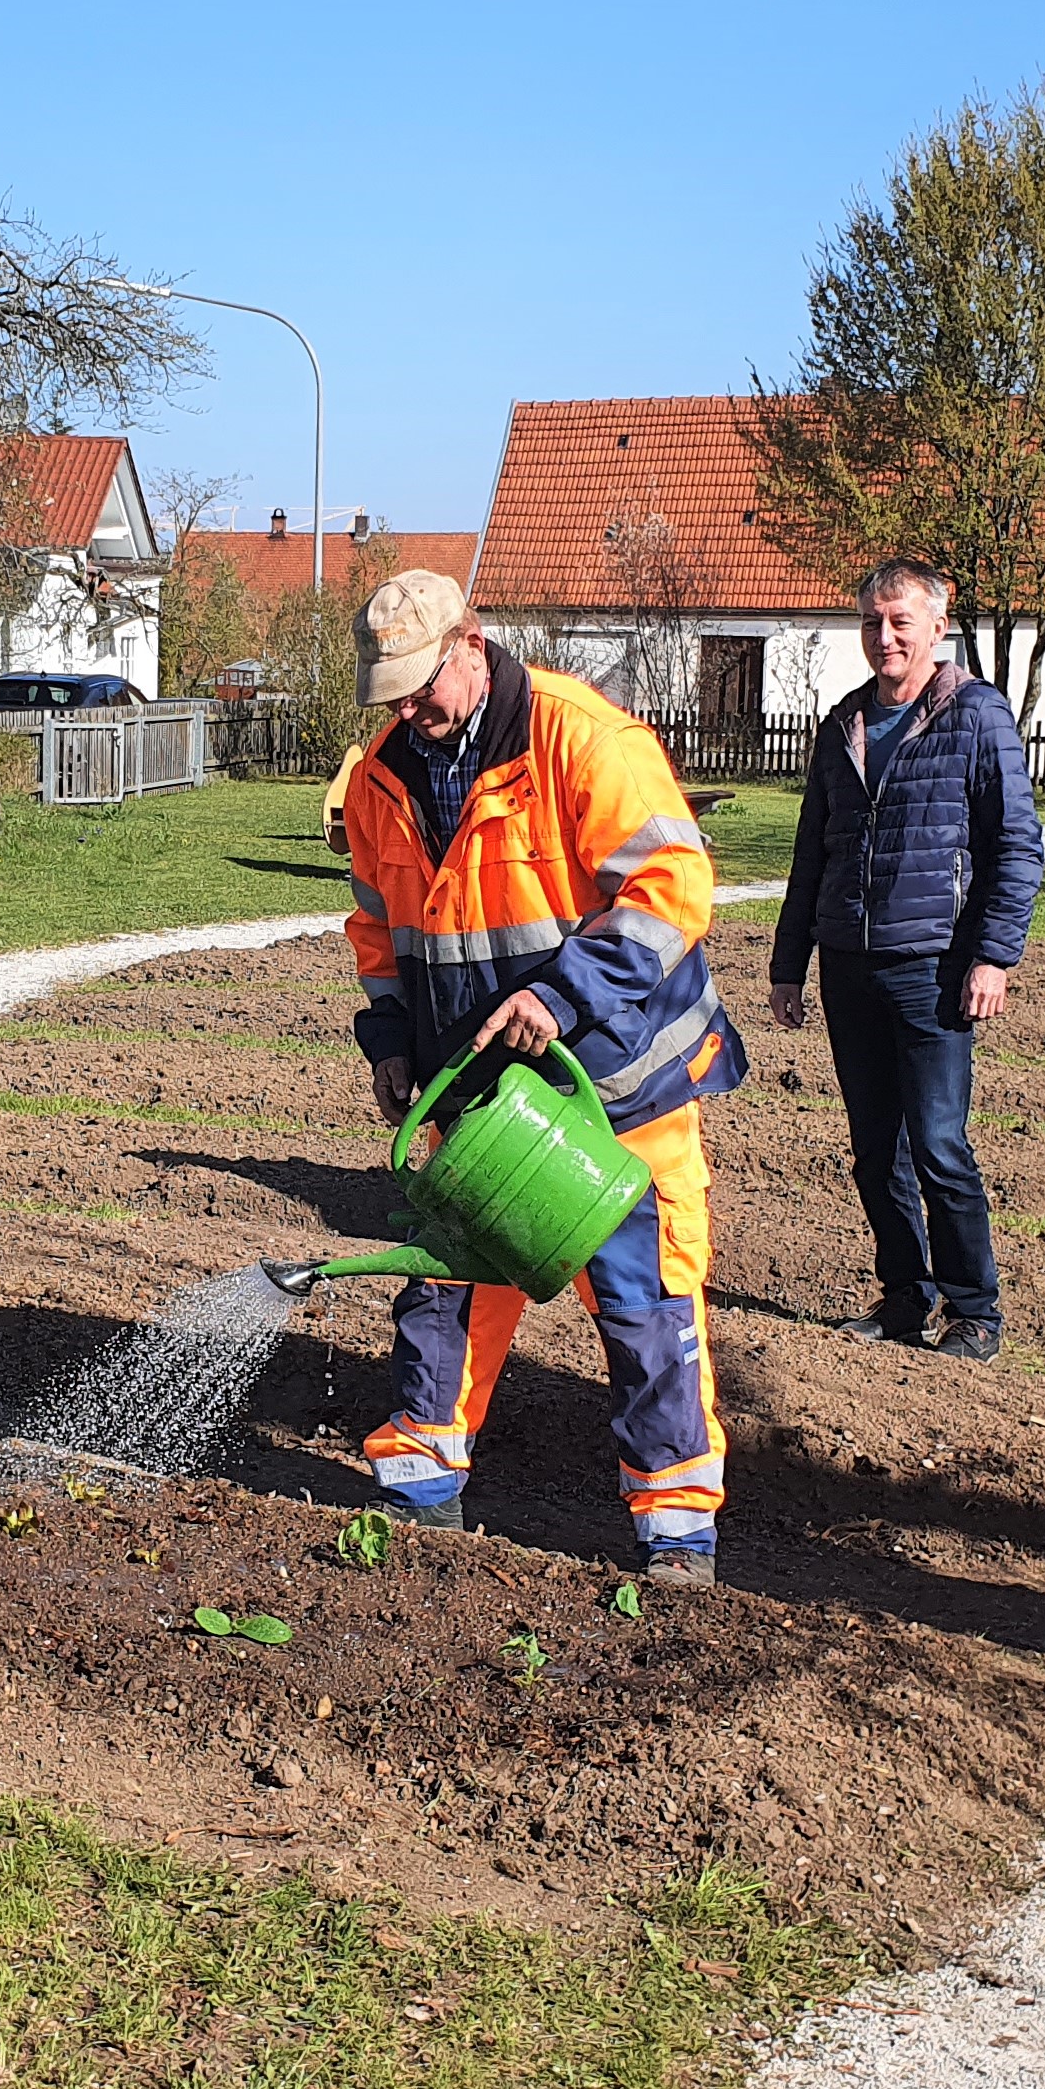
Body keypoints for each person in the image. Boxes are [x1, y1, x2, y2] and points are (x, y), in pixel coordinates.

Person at [336, 571, 747, 1584]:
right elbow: (376, 926)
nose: (406, 712)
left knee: (645, 1303)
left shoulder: (581, 738)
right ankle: (421, 1478)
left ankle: (675, 1526)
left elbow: (669, 887)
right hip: (480, 1094)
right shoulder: (383, 773)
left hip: (618, 1085)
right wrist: (390, 1037)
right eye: (388, 694)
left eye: (419, 686)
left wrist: (559, 996)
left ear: (470, 644)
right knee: (442, 1288)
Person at [766, 560, 1045, 1362]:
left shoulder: (975, 718)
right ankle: (902, 1298)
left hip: (932, 970)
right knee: (872, 1149)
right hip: (848, 967)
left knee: (937, 1145)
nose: (882, 637)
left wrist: (991, 956)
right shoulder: (841, 725)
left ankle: (974, 1310)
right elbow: (811, 853)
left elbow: (1016, 847)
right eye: (870, 622)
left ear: (935, 626)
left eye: (898, 622)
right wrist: (790, 964)